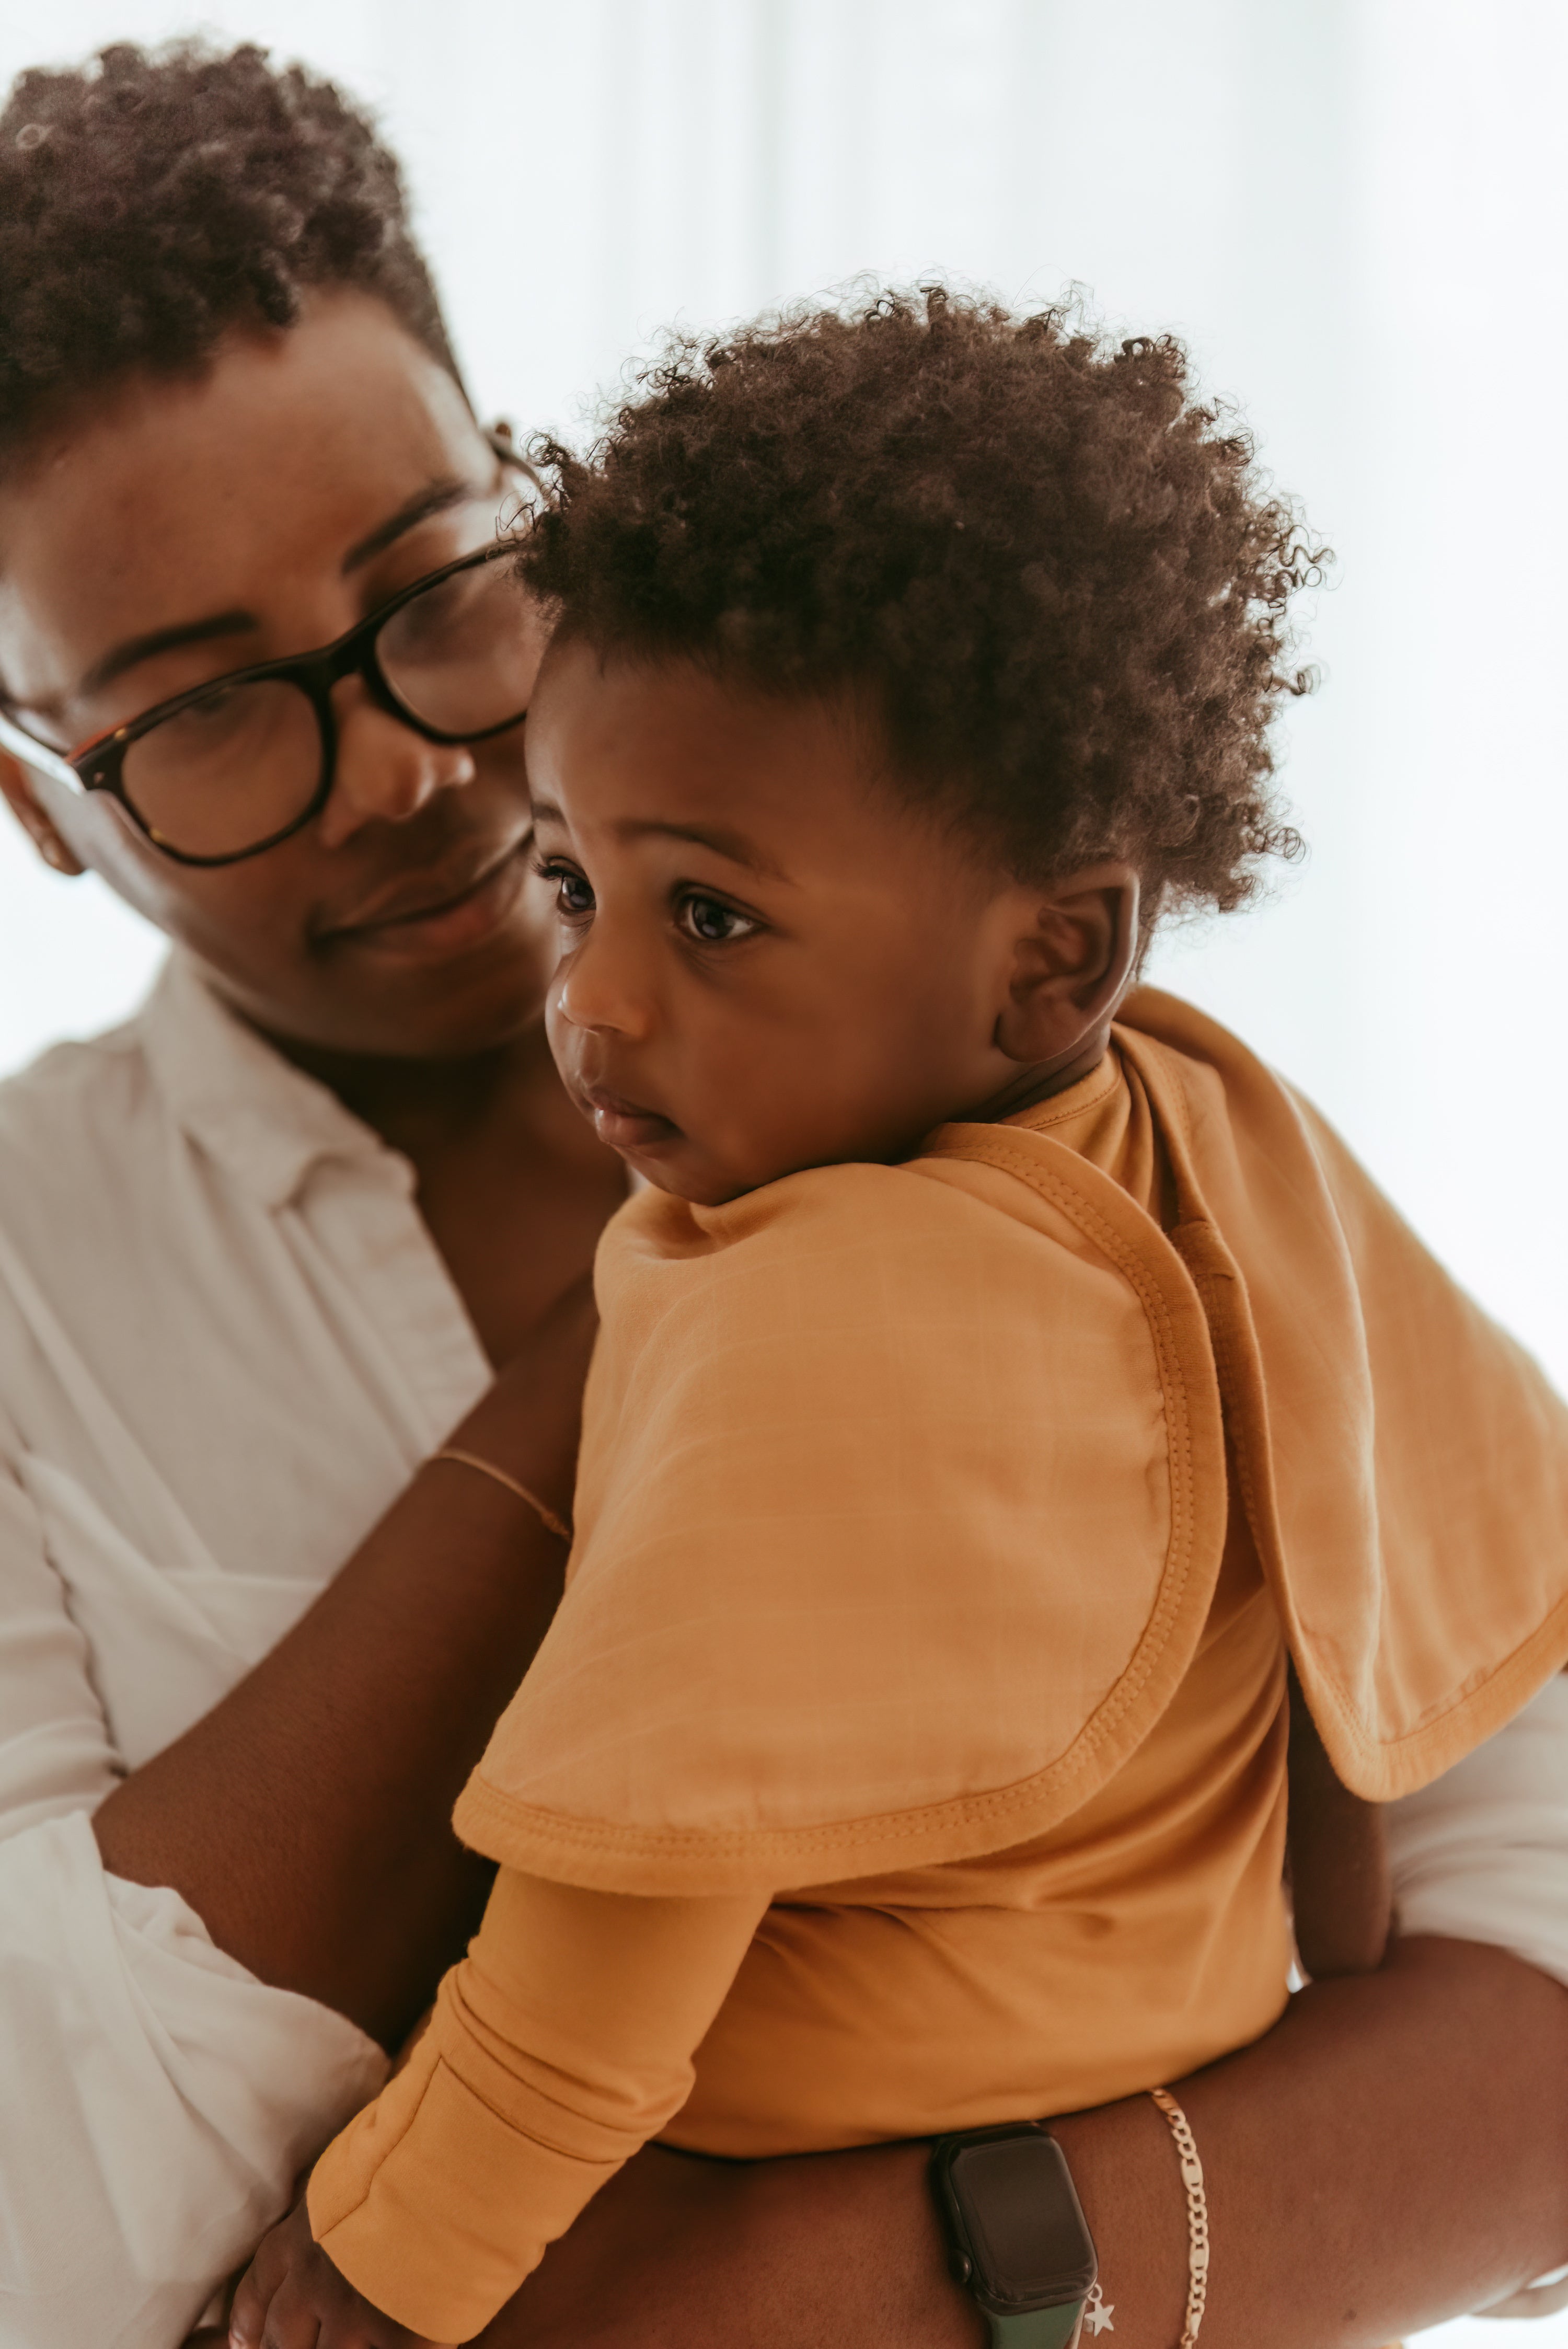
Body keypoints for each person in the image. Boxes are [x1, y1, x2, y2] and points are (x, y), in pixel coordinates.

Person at [0, 39, 1565, 2349]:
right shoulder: (41, 1269)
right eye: (205, 708)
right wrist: (680, 1343)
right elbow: (42, 2210)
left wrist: (831, 2283)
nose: (419, 766)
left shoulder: (1083, 1082)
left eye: (437, 580)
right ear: (41, 790)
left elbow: (1530, 1972)